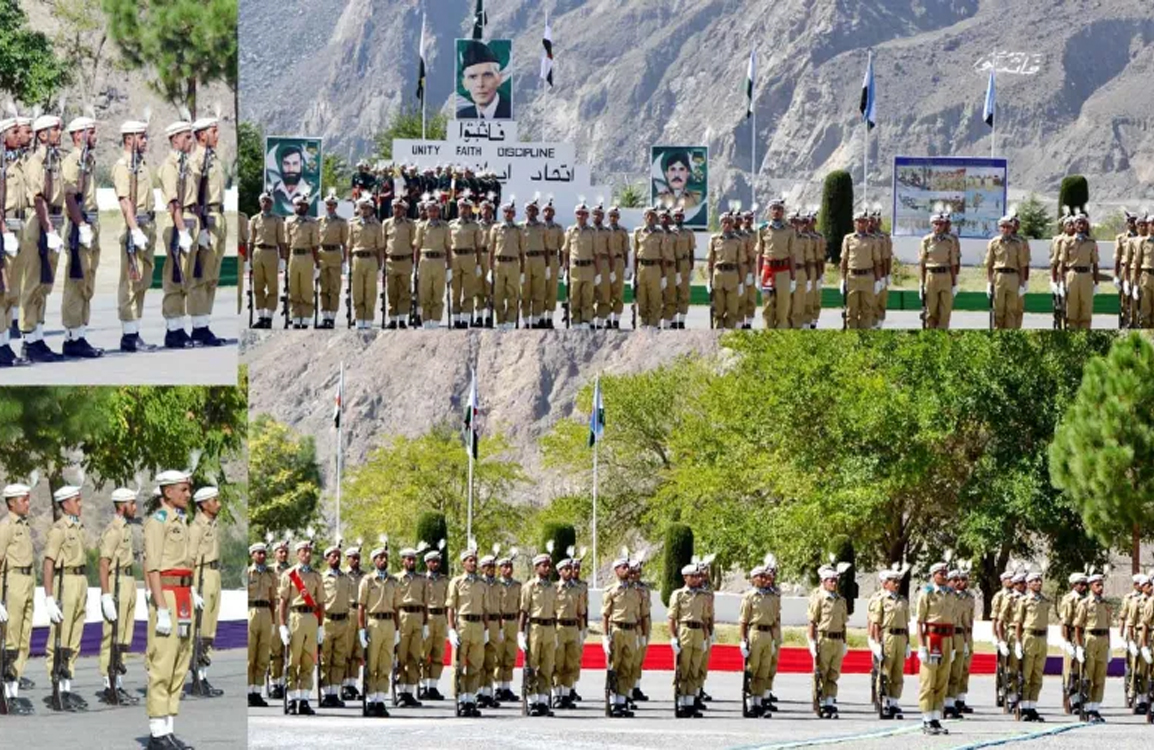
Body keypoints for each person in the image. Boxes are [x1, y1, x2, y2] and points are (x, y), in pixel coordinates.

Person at [143, 470, 196, 749]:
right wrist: (161, 607)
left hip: (184, 595)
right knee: (163, 661)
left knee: (180, 661)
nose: (188, 494)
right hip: (168, 596)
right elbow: (152, 567)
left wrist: (192, 590)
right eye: (183, 489)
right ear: (167, 492)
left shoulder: (182, 521)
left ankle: (168, 729)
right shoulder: (158, 521)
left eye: (188, 489)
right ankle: (156, 732)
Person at [18, 114, 66, 362]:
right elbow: (38, 198)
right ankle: (29, 340)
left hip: (53, 222)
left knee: (45, 283)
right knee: (33, 283)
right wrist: (48, 230)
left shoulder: (55, 161)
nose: (59, 133)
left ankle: (38, 337)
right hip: (39, 224)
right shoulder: (36, 162)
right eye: (55, 129)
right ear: (43, 134)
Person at [111, 119, 158, 352]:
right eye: (141, 137)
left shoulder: (141, 164)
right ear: (129, 139)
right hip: (135, 228)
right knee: (131, 282)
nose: (145, 141)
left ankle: (135, 331)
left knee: (142, 281)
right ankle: (128, 336)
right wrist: (135, 229)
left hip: (147, 225)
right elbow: (124, 201)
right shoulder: (123, 166)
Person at [42, 485, 88, 711]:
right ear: (66, 504)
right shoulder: (59, 529)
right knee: (61, 636)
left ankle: (67, 687)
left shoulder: (79, 527)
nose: (80, 504)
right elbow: (48, 563)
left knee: (74, 637)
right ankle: (56, 689)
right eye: (76, 500)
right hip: (65, 582)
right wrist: (49, 597)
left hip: (80, 581)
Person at [59, 117, 101, 358]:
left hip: (91, 225)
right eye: (91, 132)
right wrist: (81, 225)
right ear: (78, 135)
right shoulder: (72, 161)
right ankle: (72, 338)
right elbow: (69, 197)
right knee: (76, 282)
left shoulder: (87, 160)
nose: (95, 136)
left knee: (87, 281)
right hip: (80, 226)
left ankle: (80, 334)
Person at [157, 120, 198, 349]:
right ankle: (173, 331)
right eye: (187, 137)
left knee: (186, 278)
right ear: (175, 140)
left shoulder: (185, 165)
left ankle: (180, 327)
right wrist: (182, 231)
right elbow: (173, 202)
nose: (191, 141)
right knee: (175, 278)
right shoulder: (170, 167)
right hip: (177, 223)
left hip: (189, 219)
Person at [98, 487, 139, 705]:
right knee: (112, 635)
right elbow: (104, 564)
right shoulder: (114, 530)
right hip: (117, 583)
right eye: (132, 504)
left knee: (124, 636)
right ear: (122, 506)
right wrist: (106, 595)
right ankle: (109, 684)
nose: (135, 508)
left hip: (128, 582)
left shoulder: (125, 528)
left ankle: (118, 682)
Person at [188, 116, 227, 346]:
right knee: (201, 276)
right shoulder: (197, 161)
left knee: (212, 276)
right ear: (202, 135)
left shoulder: (213, 159)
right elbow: (193, 198)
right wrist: (201, 228)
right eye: (214, 131)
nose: (217, 135)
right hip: (207, 219)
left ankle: (204, 322)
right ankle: (198, 327)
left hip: (219, 217)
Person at [278, 539, 324, 715]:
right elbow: (283, 602)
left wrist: (320, 626)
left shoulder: (316, 575)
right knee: (293, 659)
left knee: (308, 659)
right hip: (296, 617)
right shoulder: (289, 574)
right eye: (303, 551)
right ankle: (291, 699)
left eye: (309, 551)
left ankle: (304, 699)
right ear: (297, 554)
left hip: (311, 618)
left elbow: (321, 603)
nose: (307, 554)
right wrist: (282, 626)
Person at [0, 482, 36, 714]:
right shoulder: (6, 526)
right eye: (24, 499)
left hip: (27, 581)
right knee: (10, 638)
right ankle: (6, 692)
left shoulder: (24, 526)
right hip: (12, 583)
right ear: (12, 503)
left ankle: (13, 690)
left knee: (24, 638)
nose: (27, 503)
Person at [357, 544, 399, 717]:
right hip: (374, 622)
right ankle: (370, 699)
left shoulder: (393, 581)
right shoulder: (367, 580)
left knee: (385, 663)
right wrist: (361, 629)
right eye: (380, 557)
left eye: (385, 557)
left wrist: (397, 630)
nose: (383, 560)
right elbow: (361, 607)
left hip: (389, 623)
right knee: (372, 663)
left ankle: (380, 699)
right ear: (374, 560)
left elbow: (397, 607)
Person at [448, 546, 488, 716]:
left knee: (475, 665)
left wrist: (486, 629)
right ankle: (460, 698)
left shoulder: (482, 583)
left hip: (478, 625)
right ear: (463, 563)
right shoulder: (456, 582)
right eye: (470, 560)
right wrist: (451, 629)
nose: (473, 563)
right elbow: (450, 608)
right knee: (459, 666)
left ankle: (470, 699)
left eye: (474, 560)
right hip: (463, 624)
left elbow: (485, 609)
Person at [601, 556, 642, 718]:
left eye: (627, 567)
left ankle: (622, 701)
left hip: (631, 631)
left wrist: (638, 634)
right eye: (623, 567)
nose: (627, 570)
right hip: (616, 630)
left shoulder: (635, 591)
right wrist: (605, 637)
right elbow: (605, 615)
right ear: (616, 570)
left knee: (627, 667)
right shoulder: (611, 591)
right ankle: (613, 702)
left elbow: (638, 615)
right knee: (614, 667)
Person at [738, 563, 780, 718]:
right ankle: (750, 703)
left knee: (764, 670)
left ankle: (758, 702)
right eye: (759, 576)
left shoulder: (772, 597)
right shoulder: (749, 597)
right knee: (752, 669)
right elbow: (743, 621)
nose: (763, 579)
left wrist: (774, 640)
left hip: (768, 634)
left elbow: (775, 621)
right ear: (753, 579)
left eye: (764, 576)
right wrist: (743, 640)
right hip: (754, 633)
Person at [917, 562, 954, 735]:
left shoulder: (950, 594)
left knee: (942, 679)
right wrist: (921, 646)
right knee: (928, 680)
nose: (945, 576)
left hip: (947, 638)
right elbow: (920, 621)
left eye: (946, 573)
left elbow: (953, 620)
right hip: (932, 639)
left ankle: (936, 717)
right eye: (941, 573)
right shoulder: (927, 593)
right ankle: (926, 718)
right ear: (933, 575)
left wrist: (953, 646)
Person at [518, 553, 557, 717]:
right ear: (536, 568)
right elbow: (523, 611)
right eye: (544, 565)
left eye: (548, 565)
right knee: (532, 665)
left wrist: (555, 632)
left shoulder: (553, 587)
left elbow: (555, 611)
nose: (547, 568)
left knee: (547, 666)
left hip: (549, 627)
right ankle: (532, 700)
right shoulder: (529, 587)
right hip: (534, 627)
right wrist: (520, 633)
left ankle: (543, 701)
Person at [669, 564, 710, 718]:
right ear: (685, 577)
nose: (695, 579)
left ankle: (690, 703)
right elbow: (672, 618)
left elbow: (705, 619)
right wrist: (673, 638)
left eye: (697, 576)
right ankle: (681, 702)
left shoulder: (703, 596)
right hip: (685, 631)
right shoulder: (678, 595)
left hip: (698, 632)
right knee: (683, 669)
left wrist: (705, 638)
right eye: (692, 576)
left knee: (694, 669)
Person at [868, 566, 909, 720]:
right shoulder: (881, 600)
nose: (897, 584)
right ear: (886, 584)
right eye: (893, 581)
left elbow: (906, 624)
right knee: (885, 671)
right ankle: (884, 701)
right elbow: (876, 623)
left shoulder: (903, 601)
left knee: (898, 672)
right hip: (888, 637)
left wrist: (908, 643)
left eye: (898, 581)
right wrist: (876, 643)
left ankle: (894, 702)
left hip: (901, 638)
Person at [808, 565, 848, 719]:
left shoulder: (841, 600)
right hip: (824, 639)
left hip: (837, 640)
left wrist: (844, 642)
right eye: (830, 580)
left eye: (835, 580)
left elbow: (843, 624)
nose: (834, 583)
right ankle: (821, 702)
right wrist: (812, 642)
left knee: (834, 673)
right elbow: (812, 622)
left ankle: (830, 702)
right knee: (822, 673)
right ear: (823, 582)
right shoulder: (819, 599)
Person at [1074, 571, 1112, 723]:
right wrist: (1079, 647)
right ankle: (1087, 707)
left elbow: (1108, 627)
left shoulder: (1105, 604)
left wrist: (1109, 647)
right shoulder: (1084, 604)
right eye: (1097, 585)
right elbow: (1078, 627)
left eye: (1101, 585)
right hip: (1090, 639)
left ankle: (1095, 708)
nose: (1100, 587)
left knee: (1100, 676)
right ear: (1090, 586)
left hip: (1103, 639)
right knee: (1088, 675)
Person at [318, 544, 352, 708]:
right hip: (328, 620)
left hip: (343, 621)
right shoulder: (322, 578)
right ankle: (326, 693)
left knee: (339, 658)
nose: (337, 559)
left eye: (339, 556)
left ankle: (334, 692)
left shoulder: (346, 578)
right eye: (333, 556)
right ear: (327, 559)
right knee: (326, 658)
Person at [394, 547, 429, 707]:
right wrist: (395, 626)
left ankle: (409, 691)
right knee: (401, 656)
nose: (412, 562)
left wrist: (426, 624)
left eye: (414, 559)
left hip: (418, 616)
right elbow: (394, 603)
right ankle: (400, 692)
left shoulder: (422, 580)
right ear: (403, 561)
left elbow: (426, 603)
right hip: (403, 616)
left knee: (414, 656)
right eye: (409, 559)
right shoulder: (397, 579)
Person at [1014, 570, 1049, 721]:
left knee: (1037, 675)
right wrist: (1018, 642)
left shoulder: (1045, 601)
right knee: (1026, 675)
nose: (1038, 583)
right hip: (1029, 637)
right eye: (1035, 581)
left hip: (1041, 638)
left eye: (1039, 580)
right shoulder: (1023, 601)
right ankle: (1024, 707)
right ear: (1028, 584)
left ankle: (1032, 706)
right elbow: (1018, 623)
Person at [246, 541, 277, 707]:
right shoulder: (247, 573)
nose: (262, 556)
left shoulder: (270, 574)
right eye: (259, 553)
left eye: (264, 553)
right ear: (252, 555)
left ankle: (257, 691)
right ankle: (248, 691)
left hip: (265, 612)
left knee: (263, 654)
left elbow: (273, 599)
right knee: (250, 654)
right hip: (250, 611)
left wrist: (273, 622)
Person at [758, 199, 796, 329]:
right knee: (767, 308)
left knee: (783, 308)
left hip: (783, 271)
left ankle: (781, 335)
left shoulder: (790, 230)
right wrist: (758, 275)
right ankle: (767, 335)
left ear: (783, 212)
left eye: (779, 209)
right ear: (769, 211)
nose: (776, 211)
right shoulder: (763, 229)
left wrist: (793, 278)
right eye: (773, 209)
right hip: (768, 270)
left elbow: (792, 255)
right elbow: (759, 254)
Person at [553, 558, 585, 709]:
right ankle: (556, 694)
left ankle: (566, 695)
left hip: (573, 628)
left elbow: (581, 612)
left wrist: (582, 630)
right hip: (559, 627)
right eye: (566, 569)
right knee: (557, 662)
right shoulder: (554, 589)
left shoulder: (577, 590)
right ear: (559, 571)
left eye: (570, 568)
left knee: (570, 662)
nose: (569, 571)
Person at [415, 200, 452, 329]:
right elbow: (417, 248)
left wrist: (449, 268)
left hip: (440, 261)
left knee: (438, 293)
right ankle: (425, 321)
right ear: (426, 212)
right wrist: (415, 268)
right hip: (425, 261)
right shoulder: (421, 227)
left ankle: (435, 321)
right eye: (430, 211)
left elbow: (448, 248)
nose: (433, 213)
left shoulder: (445, 227)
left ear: (439, 212)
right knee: (424, 293)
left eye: (435, 210)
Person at [840, 211, 880, 329]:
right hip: (852, 277)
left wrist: (878, 280)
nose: (861, 224)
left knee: (867, 310)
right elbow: (844, 261)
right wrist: (842, 279)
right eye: (859, 221)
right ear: (854, 223)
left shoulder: (872, 239)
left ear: (867, 223)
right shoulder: (848, 239)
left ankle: (864, 335)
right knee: (851, 310)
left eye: (864, 221)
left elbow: (877, 261)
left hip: (867, 277)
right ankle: (852, 335)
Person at [348, 197, 383, 330]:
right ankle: (358, 318)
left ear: (371, 210)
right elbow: (349, 246)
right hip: (357, 259)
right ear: (358, 209)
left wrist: (380, 267)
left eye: (367, 208)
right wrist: (348, 264)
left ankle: (368, 319)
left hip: (371, 259)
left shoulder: (377, 225)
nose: (365, 211)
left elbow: (380, 248)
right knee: (357, 291)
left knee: (370, 291)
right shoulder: (352, 224)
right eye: (362, 208)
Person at [448, 199, 484, 329]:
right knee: (455, 291)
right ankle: (456, 319)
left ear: (470, 210)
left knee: (469, 291)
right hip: (455, 257)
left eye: (467, 208)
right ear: (458, 209)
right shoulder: (451, 225)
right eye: (462, 207)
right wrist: (448, 265)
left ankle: (465, 320)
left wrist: (479, 264)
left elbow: (478, 247)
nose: (464, 210)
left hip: (469, 257)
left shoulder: (475, 226)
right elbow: (447, 246)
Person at [1059, 214, 1099, 330]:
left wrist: (1096, 283)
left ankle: (1085, 332)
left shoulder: (1091, 243)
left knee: (1086, 307)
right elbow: (1062, 263)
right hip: (1072, 275)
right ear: (1074, 225)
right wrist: (1061, 282)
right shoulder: (1067, 242)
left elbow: (1095, 264)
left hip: (1086, 276)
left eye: (1083, 223)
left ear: (1086, 226)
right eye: (1078, 223)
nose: (1081, 226)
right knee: (1072, 307)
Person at [564, 203, 600, 328]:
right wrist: (565, 270)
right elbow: (566, 251)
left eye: (584, 214)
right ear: (575, 215)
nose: (581, 216)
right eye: (579, 213)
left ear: (587, 216)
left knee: (587, 297)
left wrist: (598, 273)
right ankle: (575, 321)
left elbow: (596, 254)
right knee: (574, 297)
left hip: (589, 267)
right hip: (575, 268)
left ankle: (586, 320)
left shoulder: (592, 232)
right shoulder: (570, 231)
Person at [489, 200, 524, 329]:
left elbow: (522, 251)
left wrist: (522, 271)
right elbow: (491, 250)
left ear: (514, 214)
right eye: (506, 212)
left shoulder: (518, 230)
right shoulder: (496, 228)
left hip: (513, 264)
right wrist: (490, 269)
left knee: (512, 294)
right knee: (498, 294)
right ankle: (500, 322)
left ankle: (510, 321)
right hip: (499, 264)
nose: (508, 214)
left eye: (510, 212)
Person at [420, 548, 449, 700]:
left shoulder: (445, 581)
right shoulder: (423, 580)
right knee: (424, 653)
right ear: (427, 563)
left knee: (438, 653)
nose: (436, 564)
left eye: (437, 561)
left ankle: (433, 686)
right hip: (428, 617)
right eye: (432, 561)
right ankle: (423, 685)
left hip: (441, 617)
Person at [317, 191, 349, 329]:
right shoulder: (319, 221)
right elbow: (316, 241)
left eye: (332, 204)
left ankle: (332, 318)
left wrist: (345, 261)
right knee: (323, 288)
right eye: (328, 204)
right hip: (322, 255)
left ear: (336, 206)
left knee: (334, 288)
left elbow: (345, 243)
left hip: (335, 254)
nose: (330, 207)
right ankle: (325, 316)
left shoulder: (341, 222)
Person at [456, 41, 512, 120]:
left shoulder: (513, 112)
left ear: (499, 79)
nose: (480, 84)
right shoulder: (460, 117)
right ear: (465, 84)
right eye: (473, 77)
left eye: (487, 75)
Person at [1059, 572, 1088, 713]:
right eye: (1080, 584)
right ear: (1073, 585)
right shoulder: (1069, 600)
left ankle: (1082, 699)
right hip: (1072, 637)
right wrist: (1067, 642)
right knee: (1071, 672)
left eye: (1085, 584)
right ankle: (1072, 700)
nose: (1084, 587)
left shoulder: (1087, 600)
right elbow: (1065, 623)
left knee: (1083, 671)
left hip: (1085, 637)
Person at [633, 208, 667, 329]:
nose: (650, 218)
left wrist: (663, 276)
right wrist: (634, 274)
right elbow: (635, 254)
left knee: (655, 298)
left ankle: (653, 324)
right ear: (644, 217)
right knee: (641, 297)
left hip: (655, 268)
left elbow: (664, 256)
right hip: (641, 268)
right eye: (648, 216)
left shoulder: (661, 234)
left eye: (652, 216)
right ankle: (643, 323)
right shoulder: (638, 232)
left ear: (656, 218)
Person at [493, 552, 521, 703]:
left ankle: (506, 687)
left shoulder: (517, 586)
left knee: (510, 655)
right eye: (505, 567)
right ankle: (497, 687)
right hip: (500, 621)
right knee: (498, 655)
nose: (508, 569)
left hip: (513, 622)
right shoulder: (496, 585)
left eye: (510, 566)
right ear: (499, 569)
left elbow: (521, 607)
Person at [267, 539, 291, 699]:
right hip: (275, 609)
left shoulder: (293, 571)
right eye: (280, 551)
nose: (283, 554)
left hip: (291, 610)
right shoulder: (269, 571)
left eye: (285, 552)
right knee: (275, 649)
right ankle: (275, 682)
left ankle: (285, 681)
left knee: (288, 650)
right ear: (275, 553)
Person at [271, 144, 314, 215]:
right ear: (281, 165)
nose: (291, 169)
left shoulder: (311, 189)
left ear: (301, 164)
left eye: (295, 163)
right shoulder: (273, 189)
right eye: (286, 164)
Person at [542, 202, 565, 328]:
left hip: (553, 259)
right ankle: (540, 317)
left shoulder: (558, 228)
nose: (548, 213)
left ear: (554, 213)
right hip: (540, 259)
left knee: (552, 290)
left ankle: (549, 318)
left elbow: (562, 248)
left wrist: (562, 266)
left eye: (550, 211)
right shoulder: (538, 227)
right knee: (540, 289)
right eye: (545, 211)